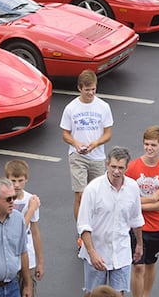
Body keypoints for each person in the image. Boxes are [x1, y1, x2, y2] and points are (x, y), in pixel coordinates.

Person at [77, 147, 144, 297]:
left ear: (127, 167)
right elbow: (83, 225)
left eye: (121, 168)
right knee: (92, 293)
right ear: (107, 164)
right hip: (97, 253)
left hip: (121, 252)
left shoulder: (133, 187)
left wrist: (139, 244)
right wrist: (92, 253)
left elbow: (136, 219)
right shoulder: (93, 189)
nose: (116, 171)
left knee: (118, 294)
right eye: (113, 166)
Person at [60, 69, 113, 249]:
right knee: (81, 195)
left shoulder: (103, 107)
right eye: (87, 90)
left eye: (93, 89)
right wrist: (75, 143)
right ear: (79, 88)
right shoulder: (71, 108)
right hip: (77, 157)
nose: (90, 93)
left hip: (97, 157)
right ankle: (81, 231)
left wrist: (96, 143)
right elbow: (65, 134)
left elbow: (108, 133)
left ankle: (96, 227)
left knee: (98, 194)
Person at [126, 126, 159, 297]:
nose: (149, 148)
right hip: (135, 226)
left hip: (157, 228)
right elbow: (127, 200)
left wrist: (139, 205)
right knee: (138, 266)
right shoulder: (132, 168)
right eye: (146, 144)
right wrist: (152, 199)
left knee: (150, 263)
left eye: (153, 145)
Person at [4, 160, 44, 296]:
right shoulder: (3, 201)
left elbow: (35, 233)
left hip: (29, 258)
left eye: (20, 180)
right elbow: (16, 230)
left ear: (26, 179)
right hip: (9, 258)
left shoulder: (30, 199)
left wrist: (40, 262)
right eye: (13, 180)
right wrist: (31, 209)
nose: (16, 185)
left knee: (29, 291)